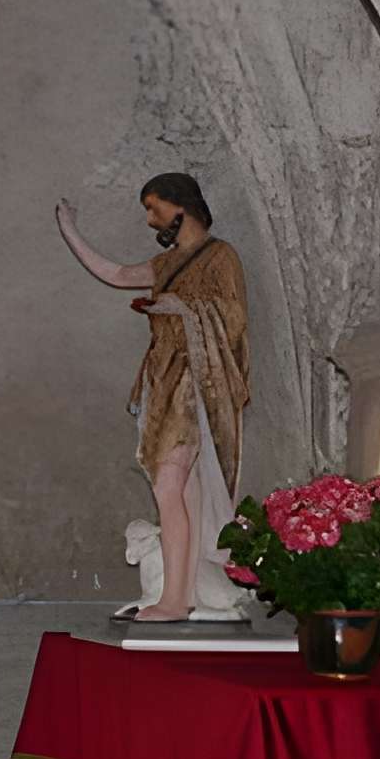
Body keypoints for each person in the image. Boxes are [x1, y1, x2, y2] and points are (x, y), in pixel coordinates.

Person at [55, 174, 251, 622]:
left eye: (153, 207)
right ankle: (181, 595)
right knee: (183, 490)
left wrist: (178, 308)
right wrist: (69, 229)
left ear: (180, 206)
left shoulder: (220, 255)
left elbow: (233, 317)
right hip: (164, 378)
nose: (149, 219)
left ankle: (175, 600)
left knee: (168, 486)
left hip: (194, 384)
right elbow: (118, 274)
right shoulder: (166, 263)